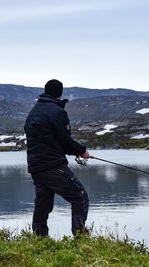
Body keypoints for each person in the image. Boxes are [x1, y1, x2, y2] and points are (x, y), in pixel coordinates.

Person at [24, 79, 90, 237]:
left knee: (43, 204)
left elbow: (51, 139)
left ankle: (40, 241)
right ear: (60, 93)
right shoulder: (57, 112)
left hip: (36, 167)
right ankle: (80, 239)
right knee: (79, 196)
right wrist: (82, 151)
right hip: (52, 165)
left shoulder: (34, 111)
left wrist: (74, 151)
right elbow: (65, 141)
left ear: (45, 91)